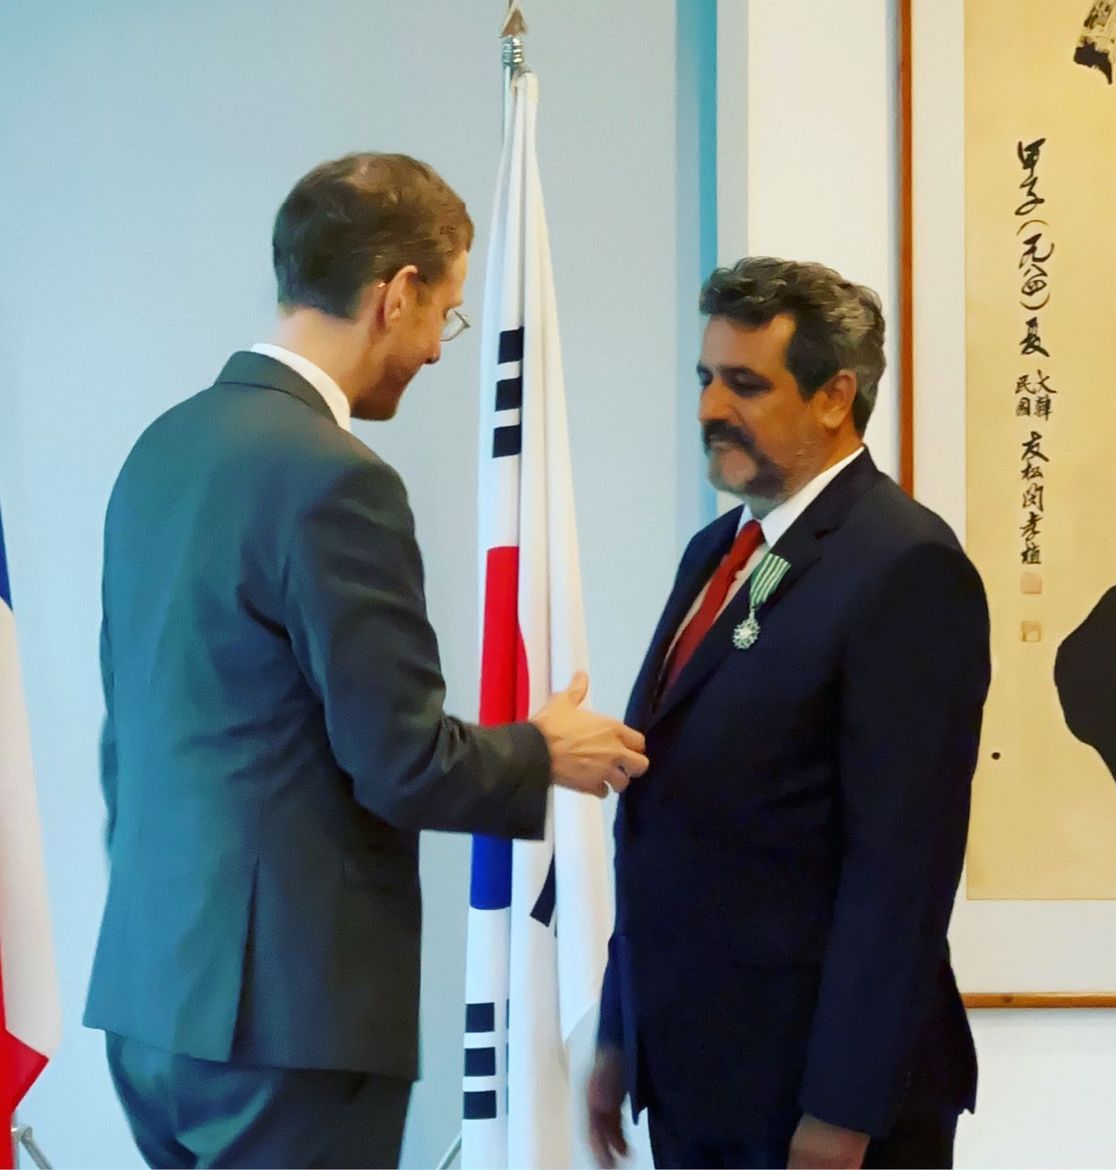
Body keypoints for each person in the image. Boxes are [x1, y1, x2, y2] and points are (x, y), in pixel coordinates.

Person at [83, 152, 648, 1170]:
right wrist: (542, 750)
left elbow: (128, 738)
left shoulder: (159, 452)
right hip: (287, 1025)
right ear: (398, 294)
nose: (435, 349)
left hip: (149, 1001)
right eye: (447, 315)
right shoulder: (338, 481)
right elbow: (399, 761)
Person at [587, 257, 990, 1170]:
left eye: (745, 384)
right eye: (705, 378)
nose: (709, 408)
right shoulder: (720, 550)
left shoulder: (905, 567)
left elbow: (903, 870)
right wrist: (620, 1032)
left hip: (820, 1101)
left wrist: (842, 1111)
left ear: (835, 396)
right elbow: (667, 812)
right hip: (696, 1076)